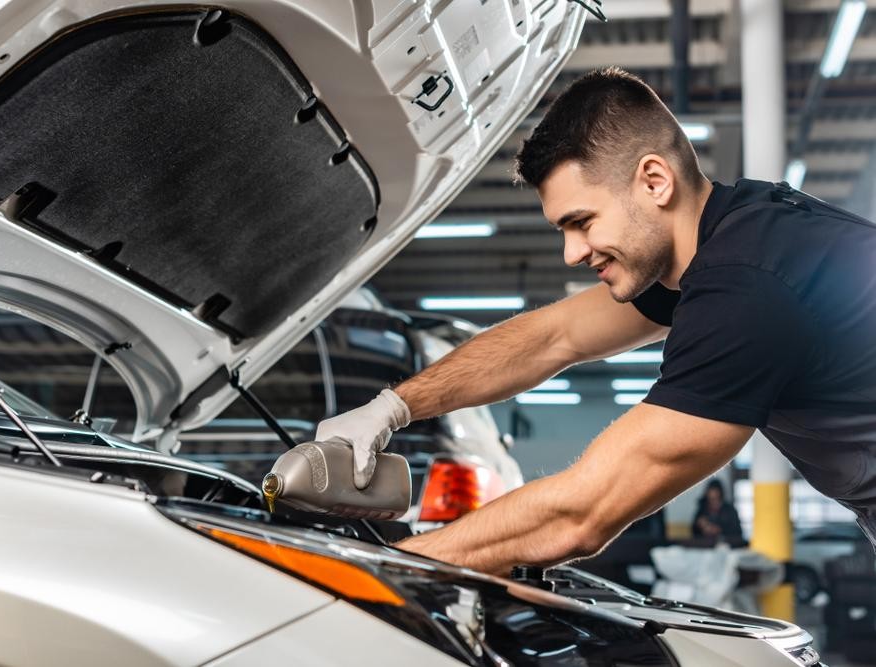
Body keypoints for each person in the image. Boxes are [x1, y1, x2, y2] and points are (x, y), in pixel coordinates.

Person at [303, 67, 876, 575]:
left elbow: (580, 515)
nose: (571, 253)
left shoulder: (749, 286)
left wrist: (382, 573)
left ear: (655, 181)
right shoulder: (729, 233)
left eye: (582, 222)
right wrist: (392, 407)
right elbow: (553, 338)